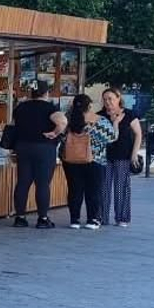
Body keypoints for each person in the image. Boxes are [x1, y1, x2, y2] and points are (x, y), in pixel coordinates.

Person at [11, 81, 67, 229]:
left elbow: (14, 125)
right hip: (43, 148)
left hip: (23, 147)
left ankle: (20, 217)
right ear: (46, 93)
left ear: (31, 93)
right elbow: (62, 122)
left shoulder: (20, 108)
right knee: (42, 183)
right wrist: (54, 133)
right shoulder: (49, 108)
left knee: (23, 182)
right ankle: (42, 218)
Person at [62, 94, 116, 230]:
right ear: (90, 106)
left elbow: (61, 138)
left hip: (71, 160)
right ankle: (92, 219)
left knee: (74, 190)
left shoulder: (68, 120)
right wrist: (115, 123)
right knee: (94, 190)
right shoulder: (100, 121)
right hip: (95, 161)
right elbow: (111, 138)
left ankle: (74, 220)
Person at [98, 88, 144, 226]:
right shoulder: (100, 116)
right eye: (105, 99)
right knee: (103, 187)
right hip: (104, 156)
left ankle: (122, 217)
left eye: (110, 99)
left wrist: (134, 154)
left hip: (123, 155)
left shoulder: (129, 115)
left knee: (121, 187)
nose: (107, 102)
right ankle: (101, 217)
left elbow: (138, 134)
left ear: (118, 98)